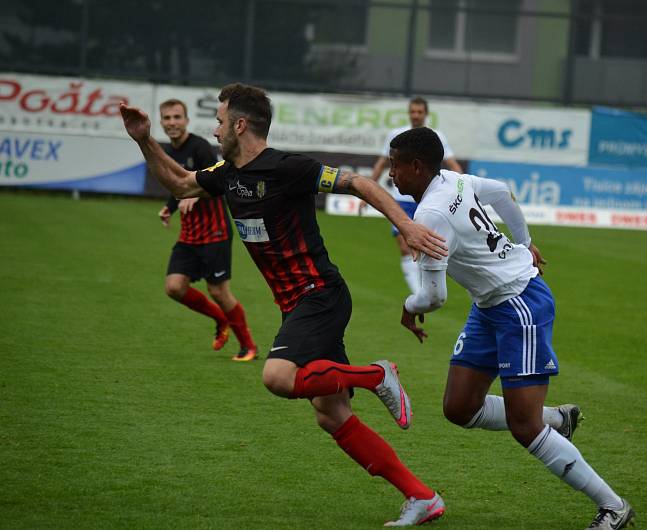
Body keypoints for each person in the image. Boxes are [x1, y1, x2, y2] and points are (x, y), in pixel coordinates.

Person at [120, 83, 449, 526]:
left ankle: (377, 374)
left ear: (240, 125)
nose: (214, 129)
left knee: (277, 376)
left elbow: (358, 182)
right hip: (295, 305)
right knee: (331, 416)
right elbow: (179, 182)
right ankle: (421, 496)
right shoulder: (226, 174)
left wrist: (406, 226)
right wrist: (143, 138)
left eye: (219, 121)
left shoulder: (288, 167)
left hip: (320, 295)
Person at [390, 127, 634, 530]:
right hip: (490, 304)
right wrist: (526, 242)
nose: (391, 175)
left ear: (416, 167)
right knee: (459, 408)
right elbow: (502, 191)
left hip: (519, 303)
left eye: (396, 166)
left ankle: (612, 506)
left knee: (525, 426)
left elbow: (433, 298)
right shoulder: (453, 179)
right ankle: (556, 420)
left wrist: (407, 306)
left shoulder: (430, 214)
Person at [156, 98, 258, 362]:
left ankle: (248, 346)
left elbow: (217, 179)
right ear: (161, 123)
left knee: (219, 292)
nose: (172, 123)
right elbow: (179, 186)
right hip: (190, 235)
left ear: (187, 120)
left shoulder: (199, 147)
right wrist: (170, 207)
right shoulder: (169, 152)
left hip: (215, 232)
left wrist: (195, 195)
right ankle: (221, 319)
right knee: (174, 287)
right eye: (167, 118)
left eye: (177, 117)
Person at [366, 97, 463, 296]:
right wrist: (366, 191)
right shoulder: (396, 136)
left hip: (428, 200)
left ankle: (427, 289)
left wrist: (464, 188)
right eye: (413, 112)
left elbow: (453, 165)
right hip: (400, 201)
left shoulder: (436, 137)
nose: (416, 115)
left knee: (428, 247)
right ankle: (419, 294)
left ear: (426, 114)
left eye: (419, 112)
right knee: (404, 246)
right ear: (409, 113)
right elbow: (382, 162)